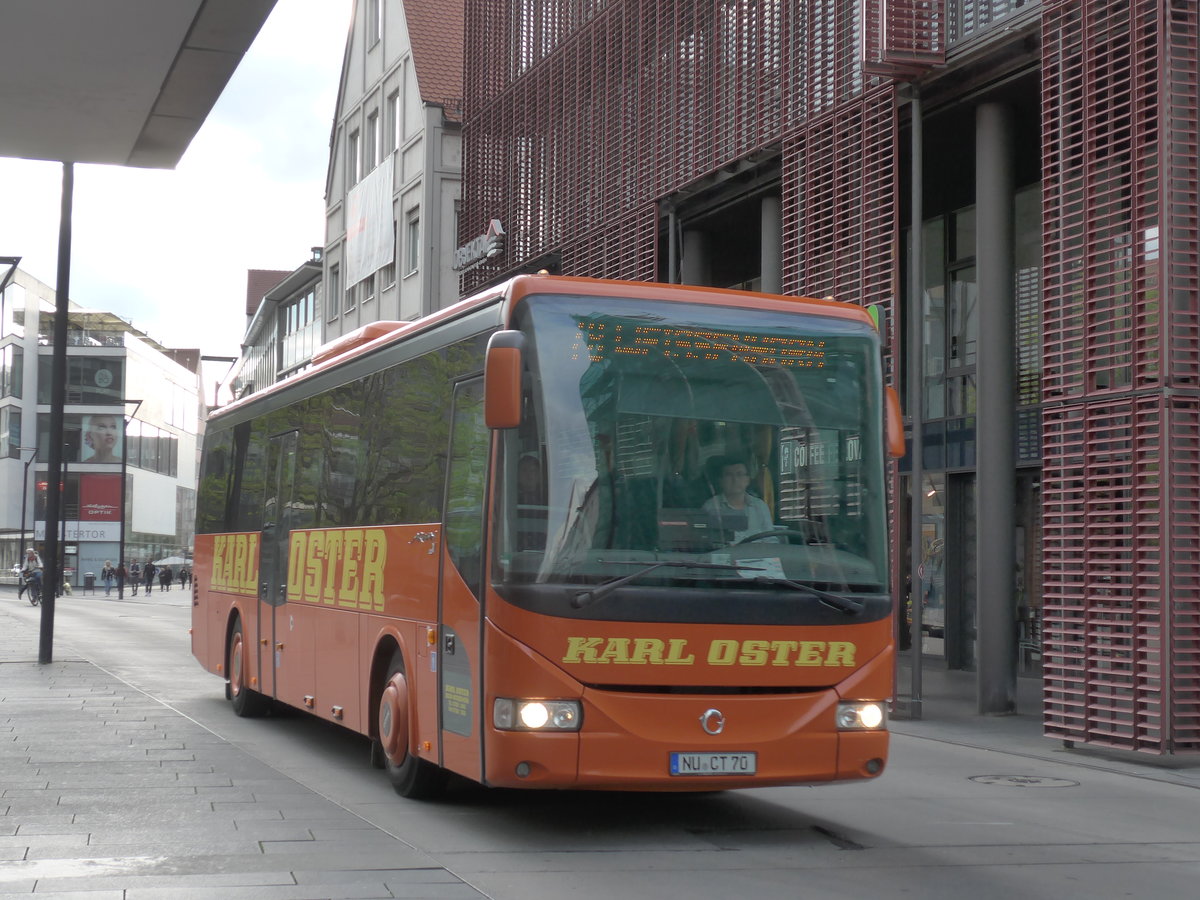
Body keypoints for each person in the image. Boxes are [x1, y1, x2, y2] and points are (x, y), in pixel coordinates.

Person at [701, 457, 775, 543]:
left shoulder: (760, 506)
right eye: (729, 475)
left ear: (747, 480)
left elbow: (771, 540)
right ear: (720, 481)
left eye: (739, 474)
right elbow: (705, 541)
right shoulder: (710, 507)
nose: (735, 479)